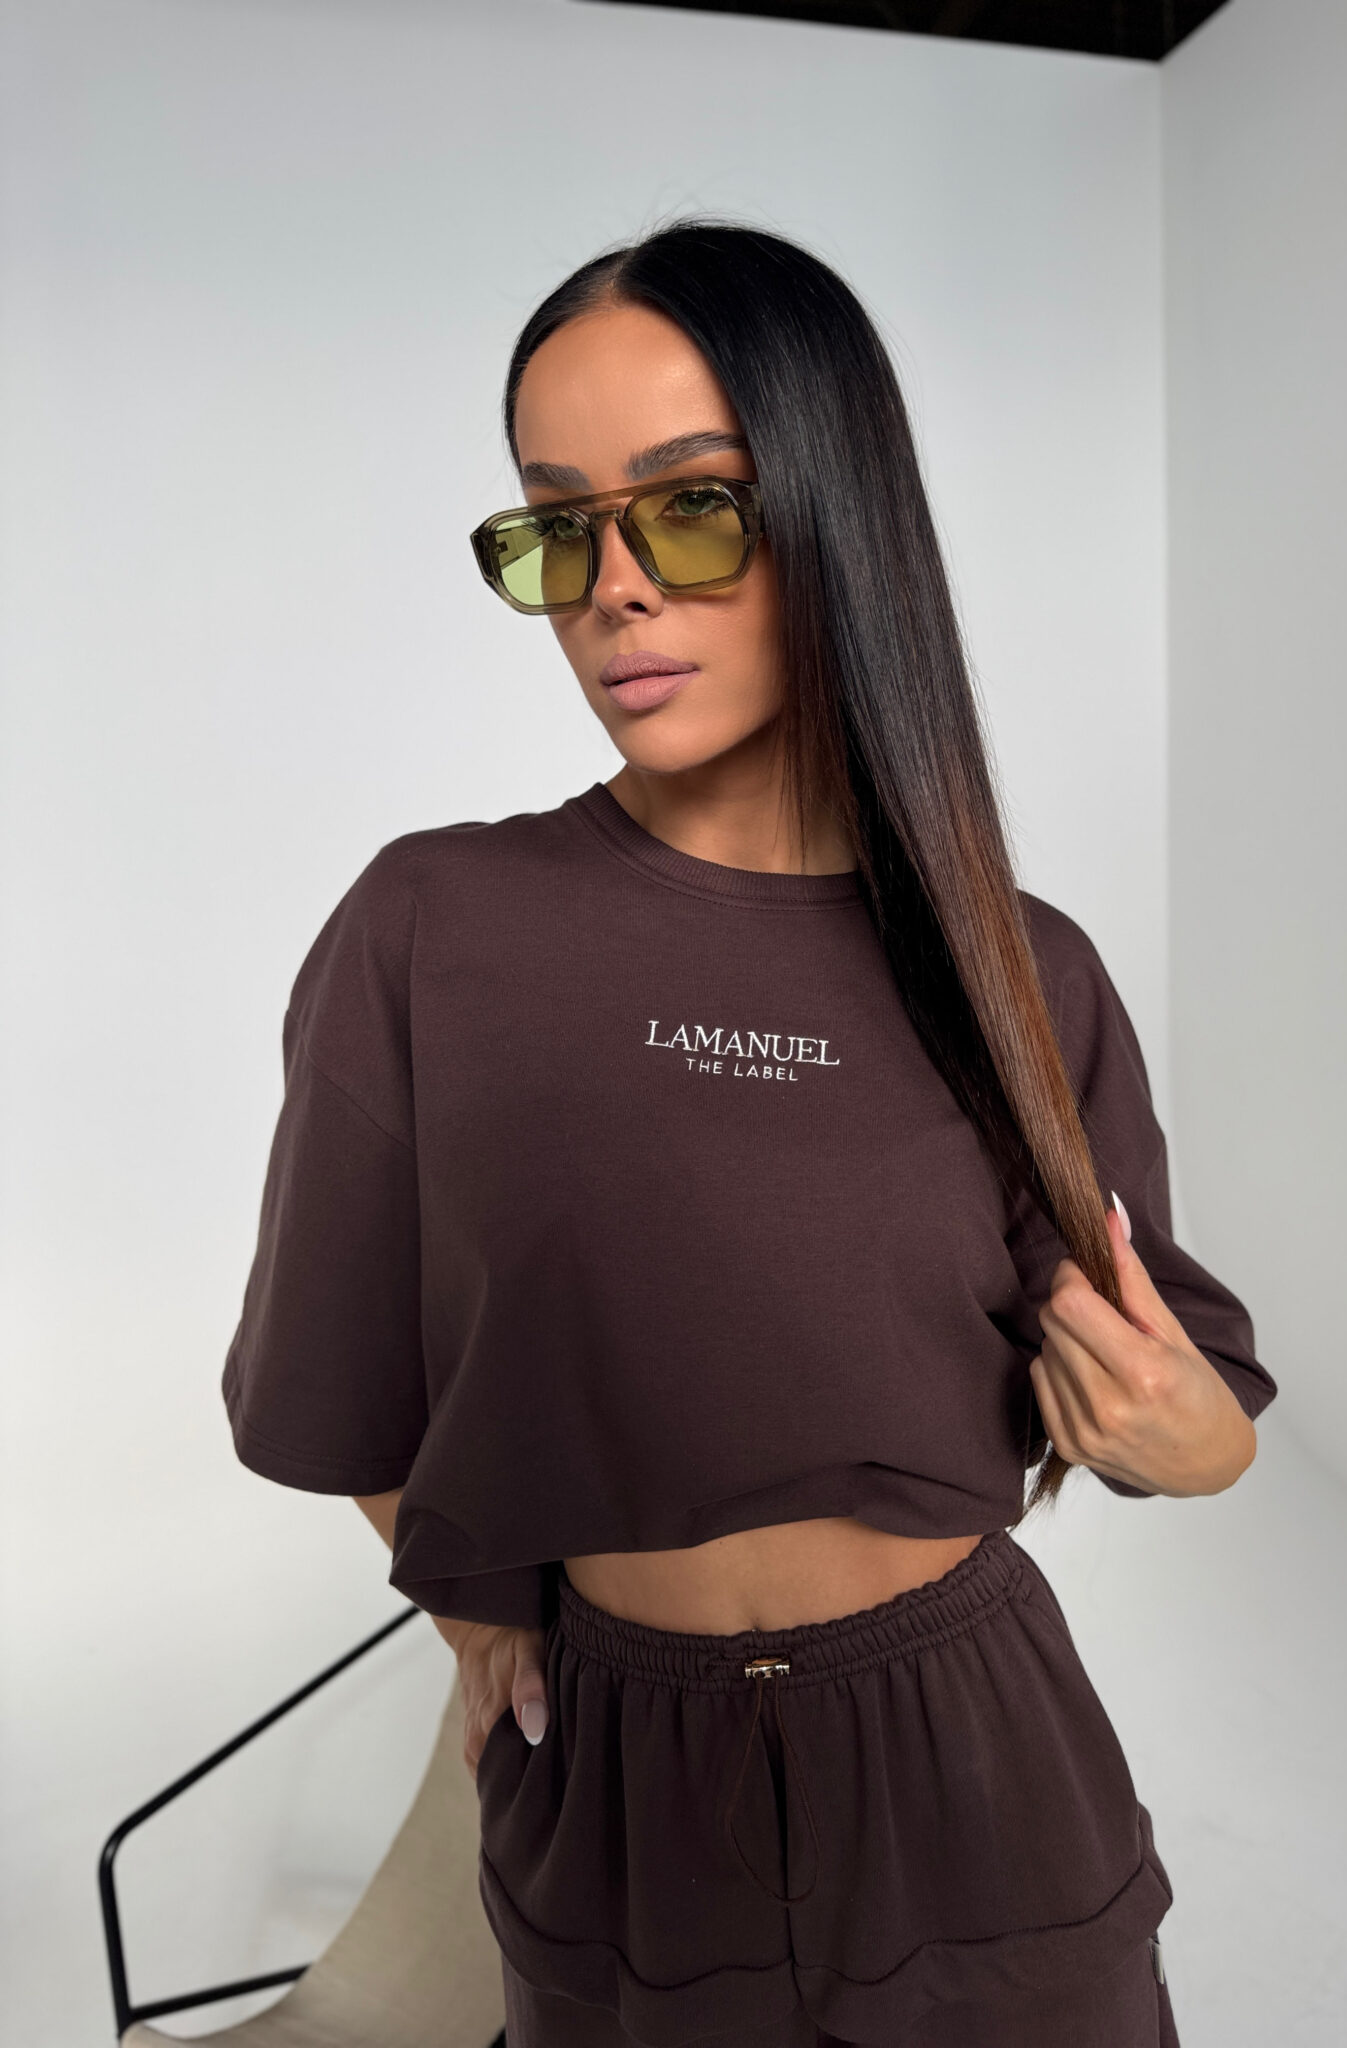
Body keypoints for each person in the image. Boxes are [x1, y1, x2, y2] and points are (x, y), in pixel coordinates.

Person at [221, 219, 1276, 2048]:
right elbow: (337, 1378)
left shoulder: (1017, 964)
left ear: (836, 515)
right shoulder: (431, 928)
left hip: (974, 1761)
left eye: (694, 507)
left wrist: (1198, 1443)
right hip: (616, 1780)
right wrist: (474, 1607)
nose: (616, 590)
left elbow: (1168, 1382)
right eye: (560, 528)